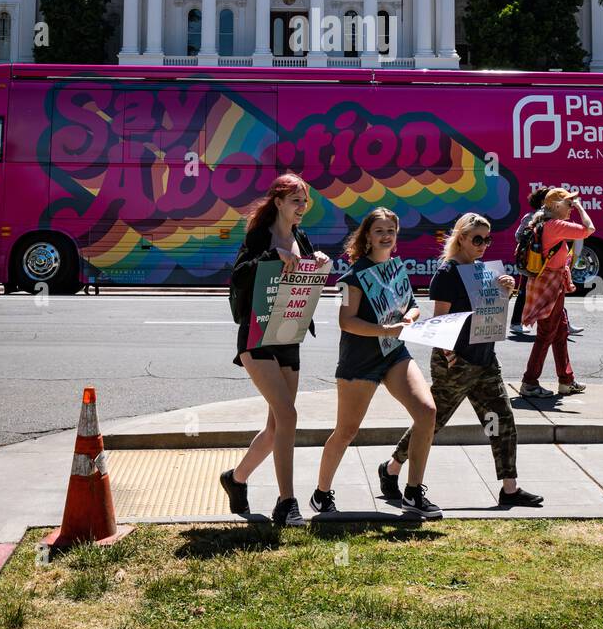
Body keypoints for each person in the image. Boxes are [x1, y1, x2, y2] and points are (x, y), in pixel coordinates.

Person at [383, 213, 544, 508]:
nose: (484, 245)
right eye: (477, 239)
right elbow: (440, 319)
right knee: (433, 421)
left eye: (488, 239)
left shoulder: (483, 271)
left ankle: (510, 487)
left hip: (485, 358)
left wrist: (505, 291)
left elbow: (490, 313)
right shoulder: (447, 273)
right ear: (461, 238)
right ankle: (392, 467)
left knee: (502, 421)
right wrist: (449, 354)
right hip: (455, 360)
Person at [310, 208, 441, 518]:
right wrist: (385, 329)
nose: (386, 236)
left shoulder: (397, 269)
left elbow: (412, 304)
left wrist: (411, 315)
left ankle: (412, 492)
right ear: (367, 236)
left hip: (394, 353)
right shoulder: (351, 277)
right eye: (379, 231)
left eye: (391, 231)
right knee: (346, 431)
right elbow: (346, 321)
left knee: (427, 412)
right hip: (360, 360)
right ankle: (321, 493)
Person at [220, 173, 330, 528]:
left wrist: (319, 263)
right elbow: (238, 275)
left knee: (275, 428)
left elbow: (305, 280)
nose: (302, 207)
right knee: (289, 417)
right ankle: (287, 503)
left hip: (289, 334)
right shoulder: (260, 236)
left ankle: (235, 479)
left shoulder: (301, 237)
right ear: (279, 201)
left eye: (305, 201)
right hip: (257, 336)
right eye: (296, 200)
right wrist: (272, 255)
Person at [520, 188, 595, 397]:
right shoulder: (555, 226)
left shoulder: (544, 224)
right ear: (555, 206)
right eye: (568, 203)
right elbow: (589, 229)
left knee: (560, 332)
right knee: (546, 334)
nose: (571, 207)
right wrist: (581, 208)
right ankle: (530, 382)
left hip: (550, 285)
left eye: (573, 203)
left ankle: (566, 380)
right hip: (549, 287)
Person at [509, 187, 549, 334]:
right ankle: (515, 322)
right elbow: (518, 235)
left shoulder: (553, 217)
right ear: (542, 201)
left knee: (554, 292)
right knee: (524, 291)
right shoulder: (530, 216)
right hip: (531, 260)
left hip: (546, 260)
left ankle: (562, 324)